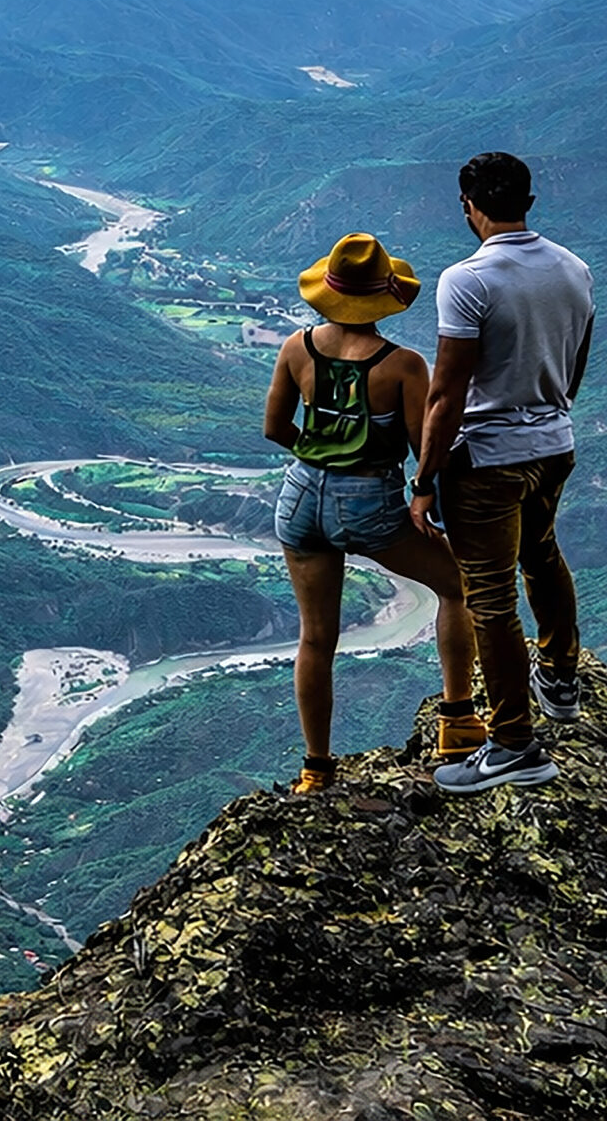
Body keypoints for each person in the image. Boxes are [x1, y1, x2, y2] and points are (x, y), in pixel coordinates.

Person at [264, 232, 483, 795]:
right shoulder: (402, 366)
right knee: (458, 586)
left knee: (316, 638)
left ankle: (316, 769)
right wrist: (422, 493)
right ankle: (458, 722)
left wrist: (321, 457)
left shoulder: (297, 347)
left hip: (298, 497)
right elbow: (423, 448)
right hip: (365, 501)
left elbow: (275, 428)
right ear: (383, 296)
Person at [410, 152, 595, 794]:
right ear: (529, 202)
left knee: (489, 599)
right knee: (543, 555)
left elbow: (447, 391)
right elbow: (574, 367)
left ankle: (516, 743)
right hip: (555, 444)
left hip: (488, 458)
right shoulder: (575, 269)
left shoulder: (467, 279)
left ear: (469, 206)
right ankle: (561, 679)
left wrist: (425, 478)